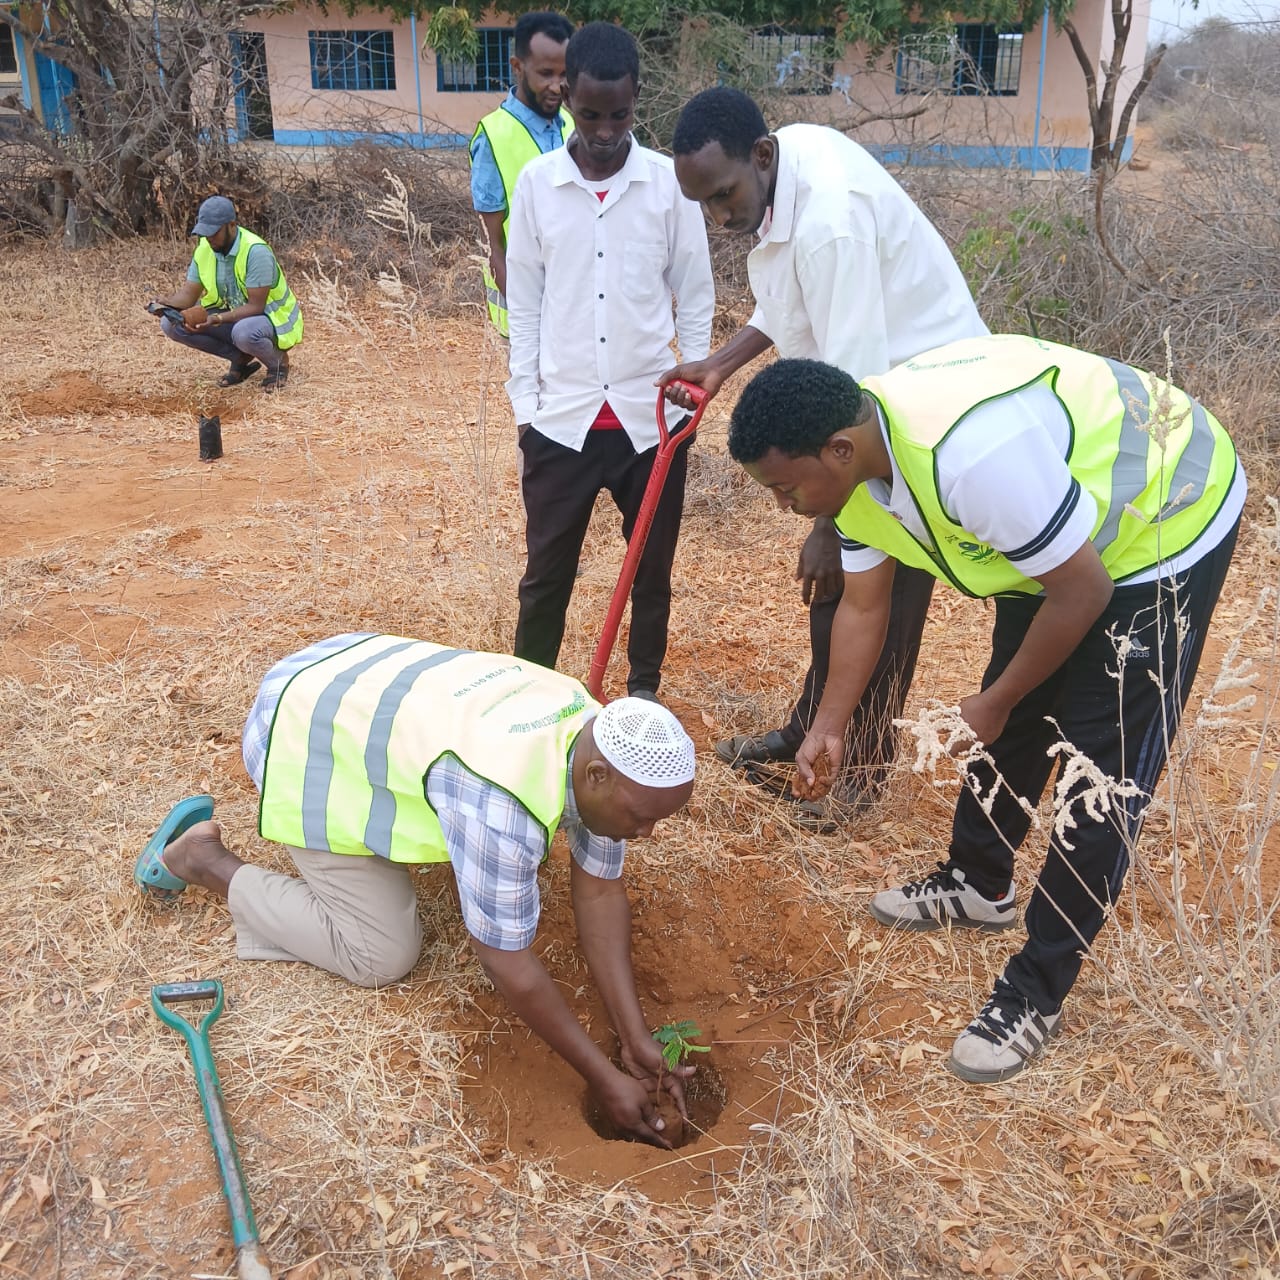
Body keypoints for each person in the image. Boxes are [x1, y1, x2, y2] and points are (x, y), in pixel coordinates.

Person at [726, 336, 1245, 1083]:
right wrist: (829, 724)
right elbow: (865, 606)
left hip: (1165, 517)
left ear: (837, 450)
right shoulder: (859, 477)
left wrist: (997, 702)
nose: (784, 507)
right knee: (1014, 697)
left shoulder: (970, 459)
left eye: (785, 490)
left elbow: (1084, 592)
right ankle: (979, 882)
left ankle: (1037, 989)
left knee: (1102, 767)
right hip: (1058, 537)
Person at [134, 633, 699, 1147]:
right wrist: (601, 1079)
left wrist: (634, 1037)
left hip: (345, 668)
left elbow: (600, 892)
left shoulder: (598, 736)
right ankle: (205, 862)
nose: (646, 833)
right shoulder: (502, 800)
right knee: (381, 952)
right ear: (598, 776)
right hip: (300, 731)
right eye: (641, 818)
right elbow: (507, 962)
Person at [658, 87, 988, 830]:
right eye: (704, 205)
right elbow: (790, 310)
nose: (719, 218)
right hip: (868, 398)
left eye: (724, 196)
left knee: (882, 594)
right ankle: (810, 725)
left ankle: (857, 780)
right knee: (837, 594)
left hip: (918, 410)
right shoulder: (785, 168)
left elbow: (854, 405)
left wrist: (827, 523)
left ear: (761, 157)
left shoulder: (830, 223)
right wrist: (720, 364)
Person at [505, 23, 714, 702]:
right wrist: (525, 404)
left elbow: (696, 291)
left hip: (649, 422)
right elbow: (527, 303)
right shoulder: (537, 185)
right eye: (589, 114)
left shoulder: (667, 186)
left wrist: (693, 388)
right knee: (545, 576)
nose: (602, 131)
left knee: (651, 572)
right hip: (559, 421)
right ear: (566, 93)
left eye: (618, 115)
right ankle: (529, 696)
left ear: (636, 99)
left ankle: (643, 693)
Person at [470, 11, 575, 338]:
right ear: (518, 67)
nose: (557, 86)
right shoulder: (494, 136)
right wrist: (531, 324)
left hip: (575, 315)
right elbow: (493, 246)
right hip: (527, 320)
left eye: (565, 74)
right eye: (546, 73)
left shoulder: (573, 126)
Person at [150, 195, 302, 391]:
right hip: (233, 314)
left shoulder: (256, 251)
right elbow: (189, 293)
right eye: (204, 233)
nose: (208, 238)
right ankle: (240, 359)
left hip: (270, 318)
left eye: (213, 233)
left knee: (244, 332)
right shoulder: (205, 248)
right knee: (171, 324)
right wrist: (167, 304)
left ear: (232, 225)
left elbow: (256, 306)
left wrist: (219, 318)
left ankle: (278, 363)